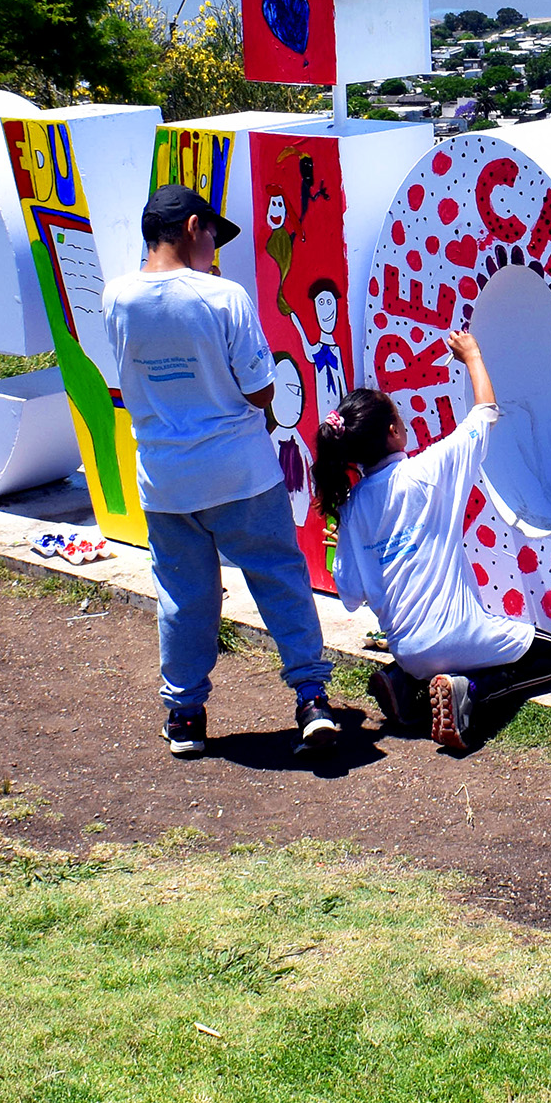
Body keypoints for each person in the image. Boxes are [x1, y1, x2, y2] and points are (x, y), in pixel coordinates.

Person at [100, 183, 362, 758]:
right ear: (194, 227)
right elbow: (263, 389)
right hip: (241, 474)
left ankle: (186, 716)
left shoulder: (116, 297)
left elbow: (121, 385)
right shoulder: (224, 297)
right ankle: (312, 699)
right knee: (278, 578)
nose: (214, 248)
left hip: (165, 480)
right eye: (213, 235)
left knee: (184, 595)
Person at [318, 330, 551, 752]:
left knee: (424, 659)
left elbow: (349, 594)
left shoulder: (351, 506)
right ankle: (470, 692)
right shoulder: (428, 471)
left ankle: (406, 685)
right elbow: (484, 414)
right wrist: (473, 355)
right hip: (460, 634)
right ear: (394, 433)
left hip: (407, 650)